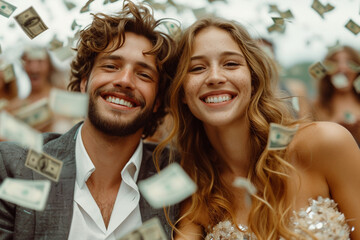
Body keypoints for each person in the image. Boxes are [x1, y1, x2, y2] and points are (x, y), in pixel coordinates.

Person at [155, 17, 360, 239]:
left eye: (231, 64)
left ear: (253, 80)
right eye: (197, 68)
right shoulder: (196, 186)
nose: (215, 77)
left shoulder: (325, 143)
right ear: (182, 92)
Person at [0, 1, 178, 239]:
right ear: (84, 82)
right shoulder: (13, 167)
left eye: (143, 74)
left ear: (157, 101)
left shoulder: (180, 174)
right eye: (111, 65)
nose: (125, 80)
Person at [313, 45, 360, 146]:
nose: (342, 67)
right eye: (335, 62)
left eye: (349, 62)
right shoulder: (315, 106)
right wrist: (335, 127)